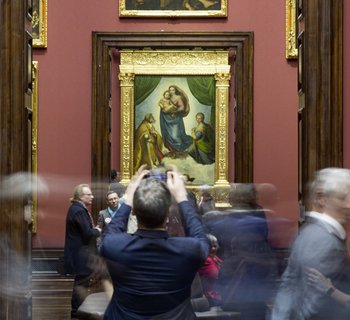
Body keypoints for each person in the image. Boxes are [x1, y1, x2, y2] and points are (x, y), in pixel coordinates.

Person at [100, 165, 210, 319]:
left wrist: (129, 197)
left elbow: (112, 229)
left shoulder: (115, 247)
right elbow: (199, 235)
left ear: (134, 211)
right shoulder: (189, 250)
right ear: (167, 213)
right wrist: (182, 198)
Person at [271, 168, 350, 320]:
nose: (348, 205)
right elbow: (311, 302)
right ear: (321, 198)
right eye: (342, 198)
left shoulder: (316, 233)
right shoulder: (322, 238)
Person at [63, 184, 102, 319]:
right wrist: (97, 230)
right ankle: (76, 312)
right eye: (89, 194)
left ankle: (78, 310)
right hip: (80, 255)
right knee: (80, 283)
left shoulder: (77, 208)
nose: (92, 196)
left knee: (82, 282)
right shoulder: (79, 210)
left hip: (80, 254)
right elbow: (87, 234)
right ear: (81, 196)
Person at [159, 85, 192, 155]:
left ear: (175, 90)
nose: (171, 91)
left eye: (172, 90)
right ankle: (173, 151)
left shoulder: (178, 97)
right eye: (170, 90)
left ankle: (180, 149)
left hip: (175, 119)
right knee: (168, 135)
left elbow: (182, 108)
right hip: (167, 119)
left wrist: (174, 111)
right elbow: (163, 106)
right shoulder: (168, 97)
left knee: (175, 135)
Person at [198, 234, 222, 308]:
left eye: (215, 246)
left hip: (218, 297)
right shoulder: (205, 260)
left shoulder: (215, 258)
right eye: (209, 246)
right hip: (210, 298)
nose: (213, 249)